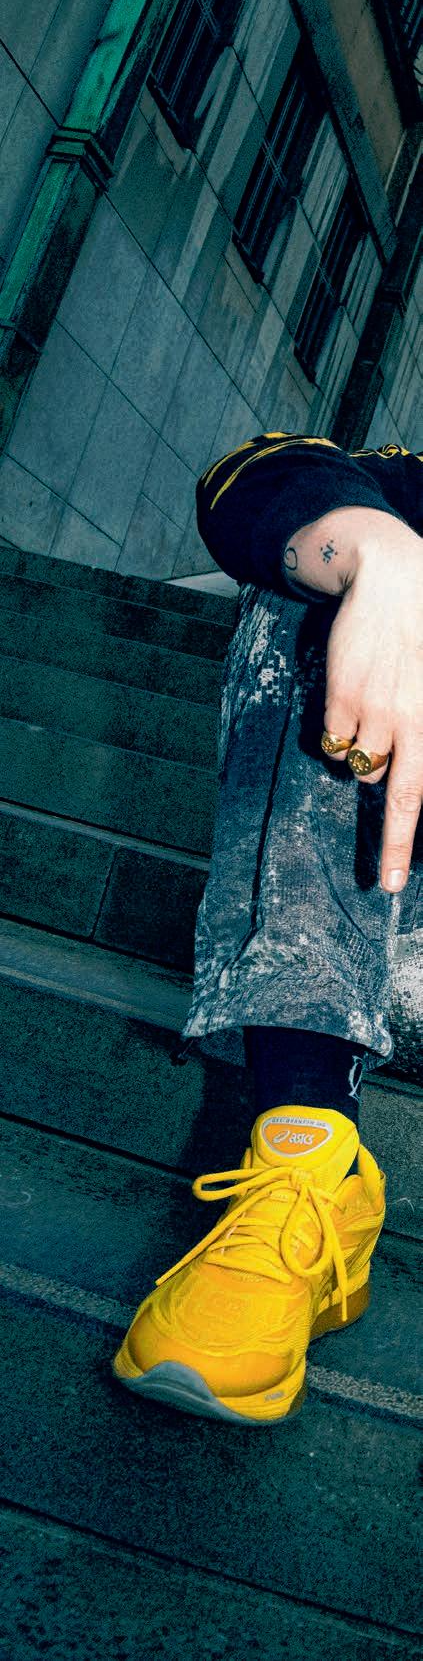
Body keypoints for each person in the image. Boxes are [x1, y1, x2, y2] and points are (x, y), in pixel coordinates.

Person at [114, 433, 423, 1424]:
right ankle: (303, 1158)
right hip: (360, 930)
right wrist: (379, 551)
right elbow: (252, 477)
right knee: (320, 586)